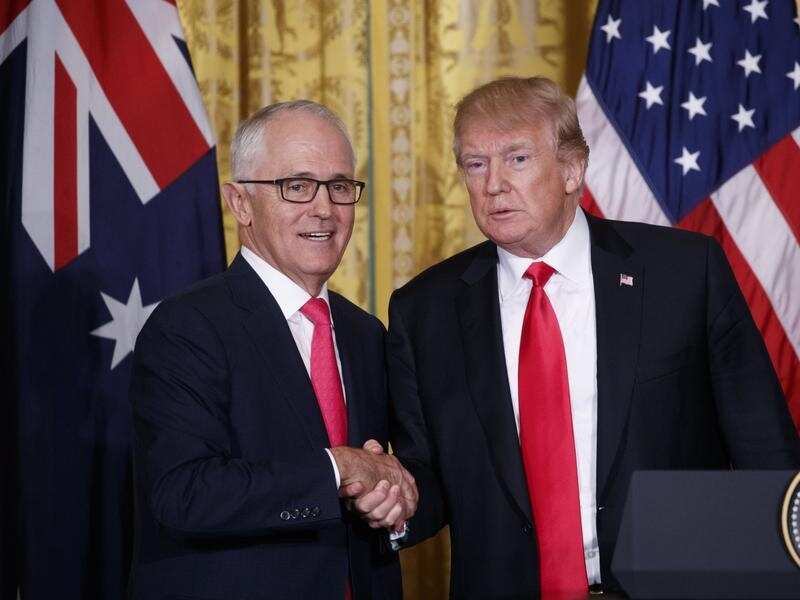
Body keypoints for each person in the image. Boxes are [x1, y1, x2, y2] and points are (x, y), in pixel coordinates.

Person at [384, 77, 800, 598]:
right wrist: (393, 502)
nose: (493, 184)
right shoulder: (425, 310)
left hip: (677, 585)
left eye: (516, 159)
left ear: (572, 169)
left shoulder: (684, 273)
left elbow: (768, 453)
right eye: (475, 164)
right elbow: (429, 480)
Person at [128, 100, 415, 600]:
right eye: (296, 186)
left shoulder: (364, 332)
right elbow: (184, 494)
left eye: (340, 187)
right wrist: (338, 467)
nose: (324, 208)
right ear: (240, 203)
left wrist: (395, 499)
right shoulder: (186, 326)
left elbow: (385, 476)